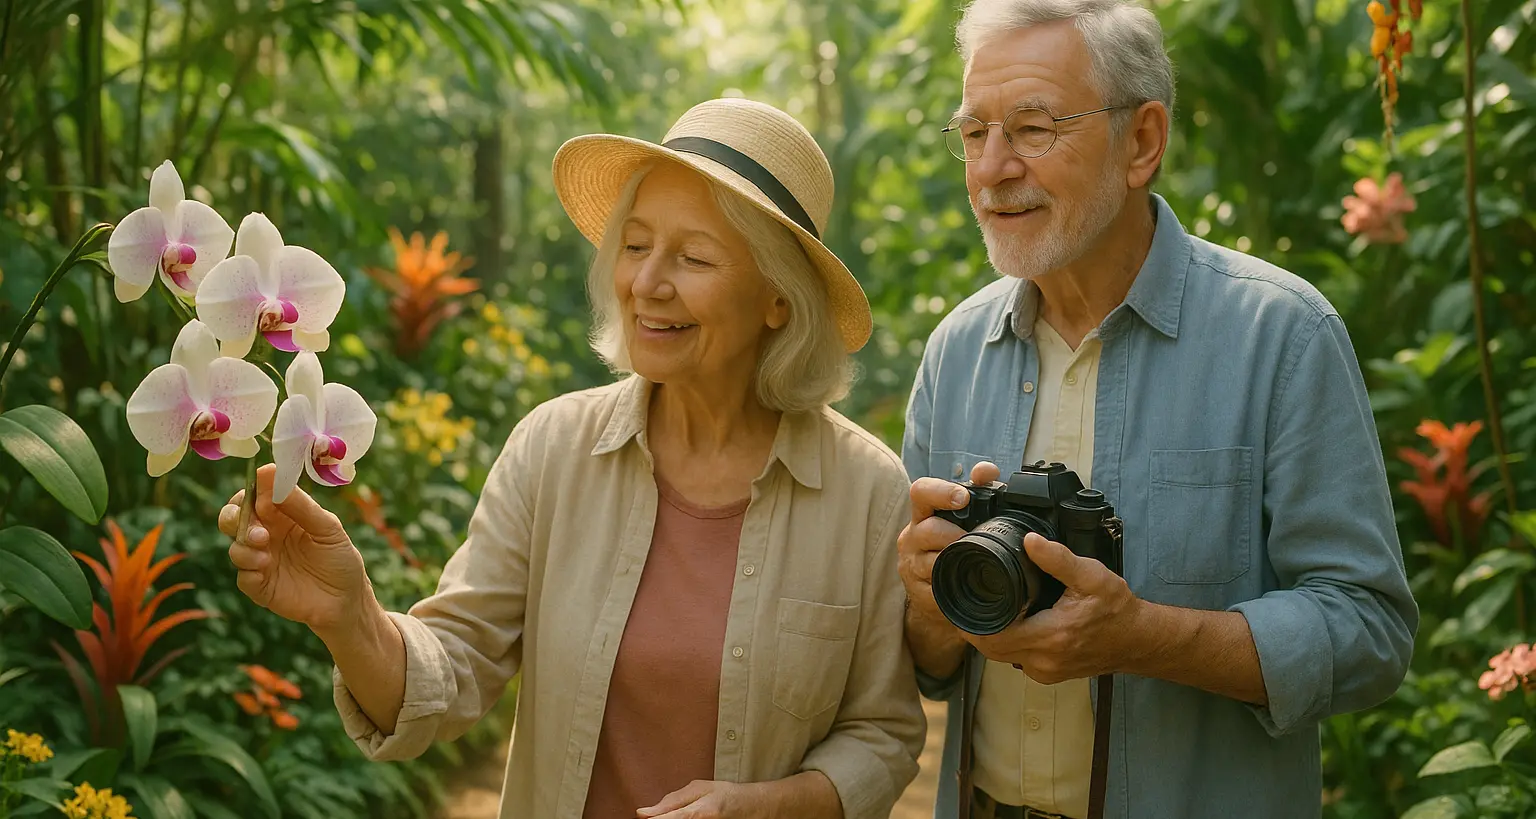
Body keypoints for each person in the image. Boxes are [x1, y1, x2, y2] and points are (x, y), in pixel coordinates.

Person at [219, 97, 926, 819]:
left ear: (778, 298)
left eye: (693, 257)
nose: (646, 283)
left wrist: (774, 806)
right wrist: (350, 614)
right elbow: (455, 667)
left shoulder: (866, 492)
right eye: (636, 244)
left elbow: (883, 730)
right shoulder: (553, 449)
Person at [896, 2, 1419, 818]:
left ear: (1141, 141)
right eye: (973, 132)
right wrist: (928, 600)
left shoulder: (1280, 335)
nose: (992, 168)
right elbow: (926, 662)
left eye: (1033, 129)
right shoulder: (955, 350)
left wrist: (1145, 637)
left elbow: (1369, 629)